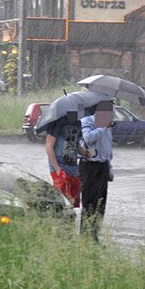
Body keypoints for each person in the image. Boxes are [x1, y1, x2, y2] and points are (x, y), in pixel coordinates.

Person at [80, 100, 115, 242]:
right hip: (90, 167)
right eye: (109, 113)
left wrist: (110, 168)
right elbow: (88, 139)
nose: (111, 116)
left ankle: (94, 235)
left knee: (100, 204)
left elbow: (108, 148)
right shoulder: (87, 121)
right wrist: (102, 128)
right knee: (90, 203)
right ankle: (85, 237)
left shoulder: (107, 127)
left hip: (103, 167)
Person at [44, 112, 82, 208]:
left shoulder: (78, 122)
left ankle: (70, 222)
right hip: (60, 169)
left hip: (74, 169)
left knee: (73, 204)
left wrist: (85, 152)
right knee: (62, 203)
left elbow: (75, 144)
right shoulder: (57, 121)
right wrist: (57, 169)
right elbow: (49, 146)